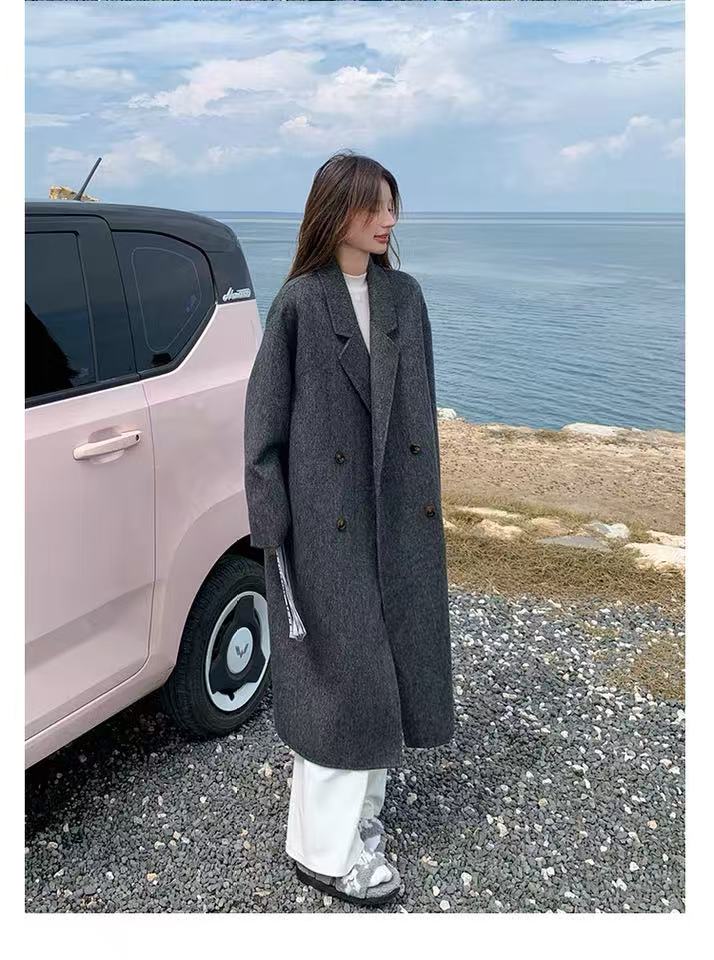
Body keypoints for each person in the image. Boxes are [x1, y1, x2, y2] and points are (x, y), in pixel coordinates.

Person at [244, 151, 455, 908]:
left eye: (392, 206)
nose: (388, 220)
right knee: (343, 684)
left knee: (384, 673)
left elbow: (419, 414)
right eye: (374, 207)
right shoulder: (301, 304)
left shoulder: (404, 296)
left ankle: (353, 825)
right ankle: (328, 856)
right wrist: (272, 530)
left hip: (396, 521)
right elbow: (262, 426)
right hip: (324, 529)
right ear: (336, 212)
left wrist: (425, 503)